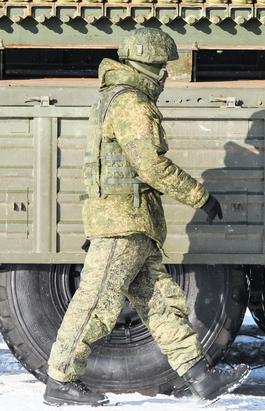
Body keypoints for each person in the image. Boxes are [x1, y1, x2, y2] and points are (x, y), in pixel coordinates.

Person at [43, 28, 250, 407]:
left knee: (161, 303)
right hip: (123, 223)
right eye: (164, 66)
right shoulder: (131, 103)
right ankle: (60, 380)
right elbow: (150, 166)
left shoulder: (116, 98)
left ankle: (201, 378)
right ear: (151, 66)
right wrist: (199, 196)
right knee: (96, 303)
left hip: (131, 222)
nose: (168, 74)